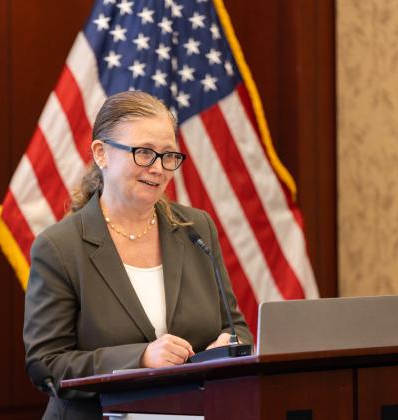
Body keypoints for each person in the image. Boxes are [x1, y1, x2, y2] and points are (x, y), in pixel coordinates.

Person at [23, 90, 252, 419]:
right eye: (144, 153)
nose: (159, 168)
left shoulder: (196, 228)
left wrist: (229, 348)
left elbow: (236, 327)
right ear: (101, 154)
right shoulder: (59, 247)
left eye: (169, 156)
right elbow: (46, 364)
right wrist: (141, 359)